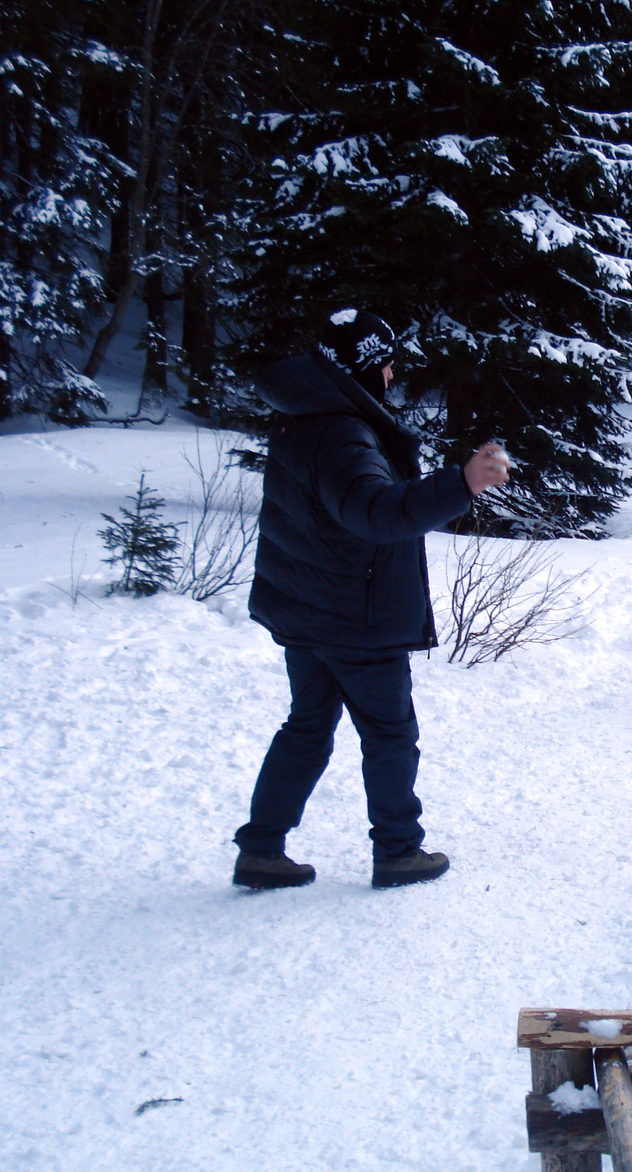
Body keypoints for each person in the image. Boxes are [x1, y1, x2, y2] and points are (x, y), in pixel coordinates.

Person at [231, 309, 510, 890]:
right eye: (385, 363)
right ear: (359, 369)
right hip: (352, 615)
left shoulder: (303, 413)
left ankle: (260, 848)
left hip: (311, 608)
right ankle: (399, 851)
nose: (391, 373)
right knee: (388, 732)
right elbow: (374, 512)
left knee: (306, 727)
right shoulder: (341, 431)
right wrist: (462, 484)